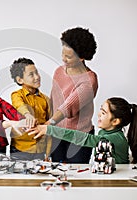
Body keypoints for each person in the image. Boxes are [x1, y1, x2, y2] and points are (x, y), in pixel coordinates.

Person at [28, 97, 137, 164]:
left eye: (103, 113)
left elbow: (85, 138)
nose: (99, 114)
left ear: (115, 121)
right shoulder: (105, 132)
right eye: (101, 110)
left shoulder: (115, 138)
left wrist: (49, 129)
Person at [47, 27, 98, 163]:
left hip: (78, 136)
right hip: (57, 133)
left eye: (68, 57)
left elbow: (68, 106)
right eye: (63, 54)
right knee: (56, 174)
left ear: (81, 58)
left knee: (76, 177)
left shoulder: (89, 80)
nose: (63, 59)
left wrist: (49, 123)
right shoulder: (59, 71)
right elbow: (53, 100)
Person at [9, 57, 52, 160]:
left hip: (40, 151)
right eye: (31, 75)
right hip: (20, 150)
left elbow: (50, 127)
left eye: (37, 73)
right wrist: (27, 115)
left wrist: (48, 153)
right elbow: (19, 105)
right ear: (20, 80)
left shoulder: (46, 100)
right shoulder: (17, 95)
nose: (37, 77)